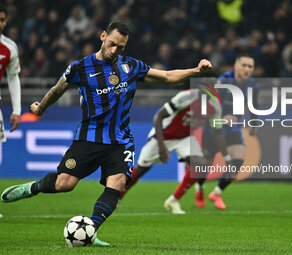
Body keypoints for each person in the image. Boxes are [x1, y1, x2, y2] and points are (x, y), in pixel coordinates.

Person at [1, 20, 212, 245]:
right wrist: (40, 108)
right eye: (111, 44)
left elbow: (168, 77)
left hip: (120, 141)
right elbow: (57, 90)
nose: (114, 51)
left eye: (120, 47)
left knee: (118, 183)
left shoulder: (131, 66)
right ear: (103, 36)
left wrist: (196, 71)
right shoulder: (80, 67)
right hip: (88, 137)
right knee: (65, 184)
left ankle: (90, 230)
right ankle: (33, 187)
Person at [119, 88, 224, 214]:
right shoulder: (186, 96)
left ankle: (173, 201)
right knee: (141, 168)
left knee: (200, 165)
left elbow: (217, 130)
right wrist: (162, 146)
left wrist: (226, 154)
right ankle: (118, 196)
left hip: (185, 137)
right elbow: (159, 116)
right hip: (163, 135)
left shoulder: (215, 105)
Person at [195, 53, 259, 210]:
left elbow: (253, 105)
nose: (247, 69)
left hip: (234, 128)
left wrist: (254, 124)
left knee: (238, 159)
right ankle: (199, 188)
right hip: (214, 127)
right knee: (207, 164)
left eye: (250, 66)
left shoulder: (253, 85)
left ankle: (217, 192)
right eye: (244, 65)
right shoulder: (224, 80)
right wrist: (224, 116)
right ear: (236, 66)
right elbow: (211, 101)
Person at [0, 4, 21, 219]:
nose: (0, 23)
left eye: (2, 19)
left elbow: (13, 77)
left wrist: (16, 110)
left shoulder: (9, 47)